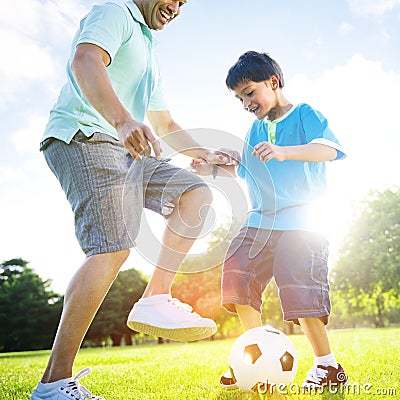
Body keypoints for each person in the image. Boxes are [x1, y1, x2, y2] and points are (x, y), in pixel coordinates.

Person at [31, 1, 234, 399]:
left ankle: (155, 297)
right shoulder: (115, 12)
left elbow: (166, 124)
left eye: (182, 3)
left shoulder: (148, 48)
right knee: (112, 248)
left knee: (196, 194)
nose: (175, 8)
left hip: (130, 150)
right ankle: (54, 383)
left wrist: (206, 155)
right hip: (85, 137)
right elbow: (85, 59)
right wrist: (122, 120)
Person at [191, 51, 348, 391]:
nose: (245, 102)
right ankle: (254, 358)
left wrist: (284, 152)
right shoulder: (254, 129)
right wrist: (214, 167)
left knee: (299, 288)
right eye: (239, 98)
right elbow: (248, 172)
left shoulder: (305, 114)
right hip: (261, 222)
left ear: (273, 82)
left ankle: (328, 366)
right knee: (238, 271)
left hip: (303, 221)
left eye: (249, 92)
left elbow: (329, 149)